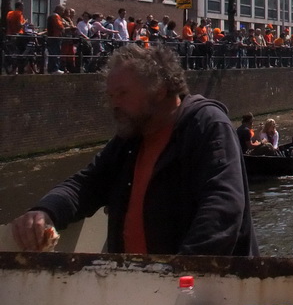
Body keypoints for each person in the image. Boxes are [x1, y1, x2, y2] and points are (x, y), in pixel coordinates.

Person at [9, 44, 258, 256]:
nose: (113, 104)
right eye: (110, 95)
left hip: (191, 295)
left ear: (159, 90)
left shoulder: (206, 126)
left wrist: (180, 275)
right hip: (136, 288)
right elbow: (86, 183)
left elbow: (222, 208)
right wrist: (45, 211)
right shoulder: (130, 138)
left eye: (122, 93)